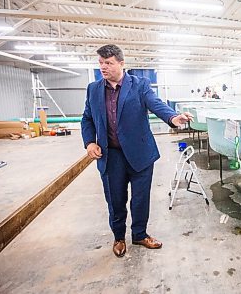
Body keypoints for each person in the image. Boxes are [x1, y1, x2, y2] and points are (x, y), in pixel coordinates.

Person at [81, 44, 193, 258]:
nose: (103, 67)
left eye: (109, 63)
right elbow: (87, 118)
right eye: (101, 63)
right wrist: (89, 142)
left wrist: (172, 118)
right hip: (110, 155)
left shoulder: (139, 84)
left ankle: (140, 234)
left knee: (140, 198)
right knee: (115, 199)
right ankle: (119, 237)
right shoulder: (93, 89)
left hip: (140, 153)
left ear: (121, 63)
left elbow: (156, 104)